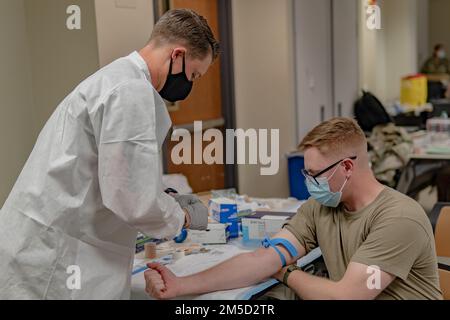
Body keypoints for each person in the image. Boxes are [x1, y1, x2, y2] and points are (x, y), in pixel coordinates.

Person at [0, 8, 219, 299]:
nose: (190, 84)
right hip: (54, 256)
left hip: (47, 241)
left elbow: (115, 176)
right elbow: (133, 200)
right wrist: (182, 217)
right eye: (193, 74)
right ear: (177, 55)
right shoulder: (130, 91)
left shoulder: (117, 80)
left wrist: (163, 198)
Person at [145, 118, 443, 300]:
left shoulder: (398, 218)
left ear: (348, 167)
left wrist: (286, 274)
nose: (308, 182)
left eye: (314, 174)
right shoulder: (320, 208)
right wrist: (180, 285)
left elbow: (346, 296)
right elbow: (264, 259)